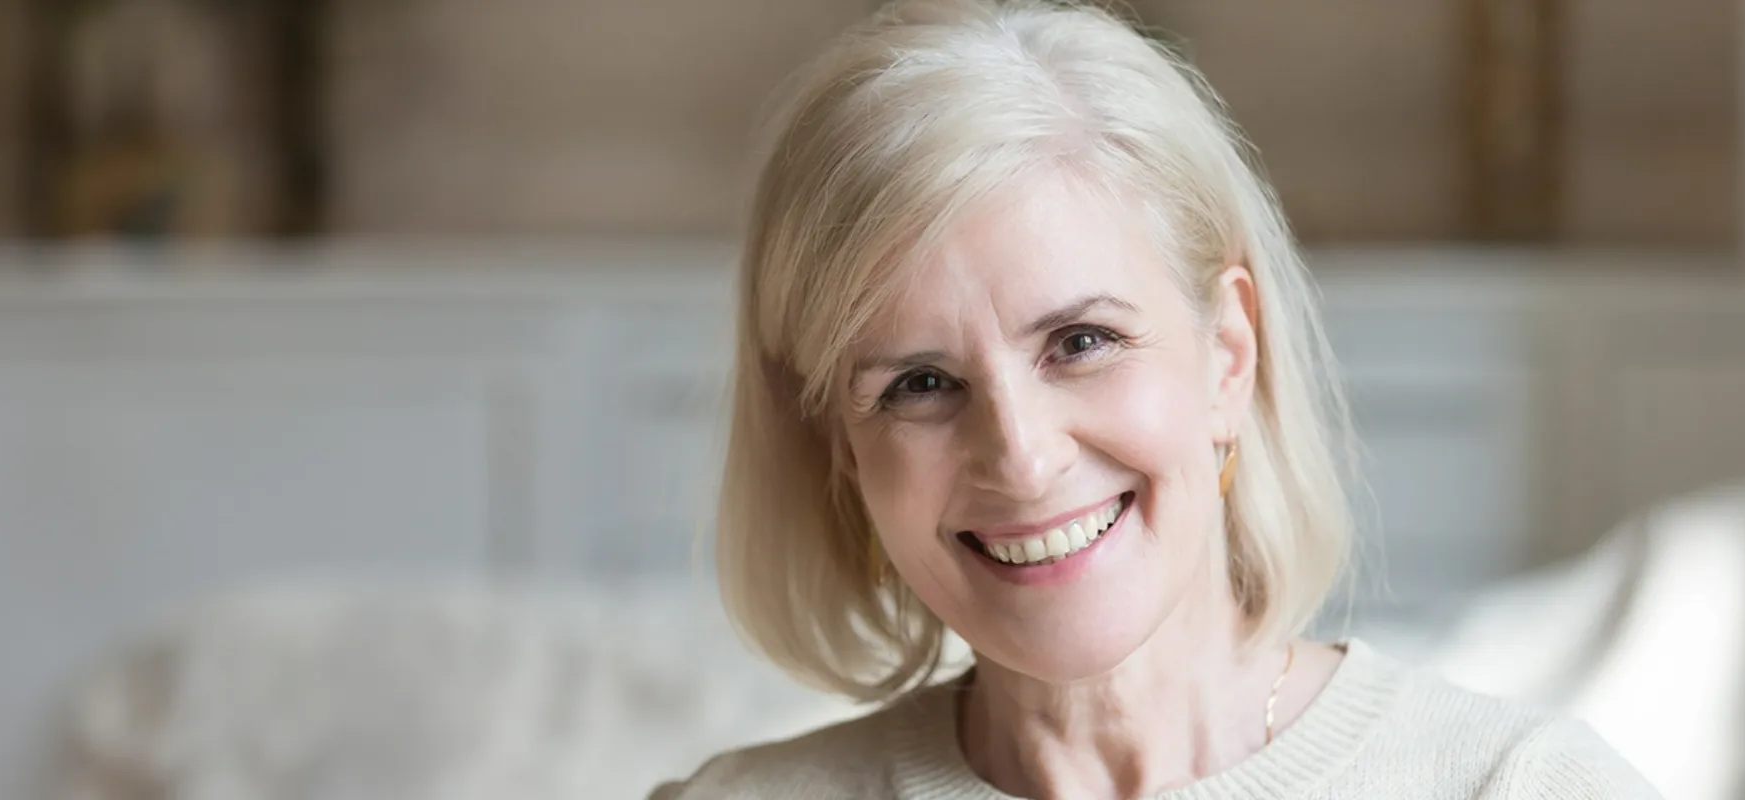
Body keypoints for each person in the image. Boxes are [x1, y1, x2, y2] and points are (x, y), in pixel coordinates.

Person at [656, 1, 1661, 797]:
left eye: (1080, 342)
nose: (1020, 454)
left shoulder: (1518, 785)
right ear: (839, 440)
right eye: (919, 384)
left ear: (1227, 354)